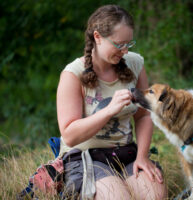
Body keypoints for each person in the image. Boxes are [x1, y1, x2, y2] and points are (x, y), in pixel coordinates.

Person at [56, 4, 167, 200]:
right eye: (118, 44)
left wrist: (142, 156)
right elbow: (70, 135)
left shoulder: (135, 63)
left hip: (125, 153)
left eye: (128, 44)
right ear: (97, 37)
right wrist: (108, 110)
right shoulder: (72, 74)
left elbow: (143, 116)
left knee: (155, 196)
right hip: (84, 156)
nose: (124, 50)